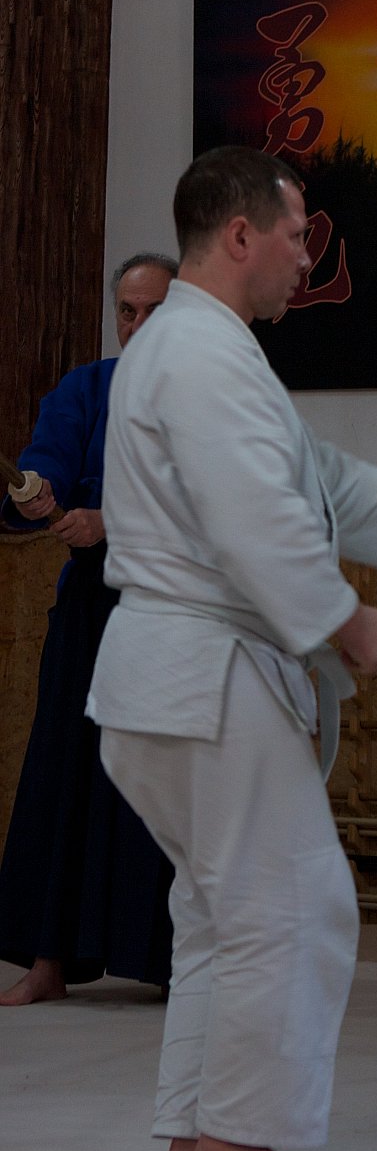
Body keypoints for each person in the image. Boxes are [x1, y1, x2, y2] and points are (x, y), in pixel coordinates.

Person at [86, 145, 377, 1151]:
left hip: (173, 676)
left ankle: (197, 1134)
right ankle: (238, 1138)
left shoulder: (200, 347)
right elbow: (250, 512)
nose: (304, 256)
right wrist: (339, 620)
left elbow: (306, 475)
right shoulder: (199, 351)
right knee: (292, 902)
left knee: (224, 912)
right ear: (240, 234)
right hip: (202, 673)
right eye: (294, 235)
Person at [0, 254, 178, 1006]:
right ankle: (47, 960)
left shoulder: (211, 396)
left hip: (177, 611)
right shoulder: (86, 389)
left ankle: (175, 964)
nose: (137, 325)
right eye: (126, 312)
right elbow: (47, 460)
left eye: (153, 311)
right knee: (64, 768)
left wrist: (112, 521)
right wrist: (38, 492)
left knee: (169, 783)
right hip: (91, 607)